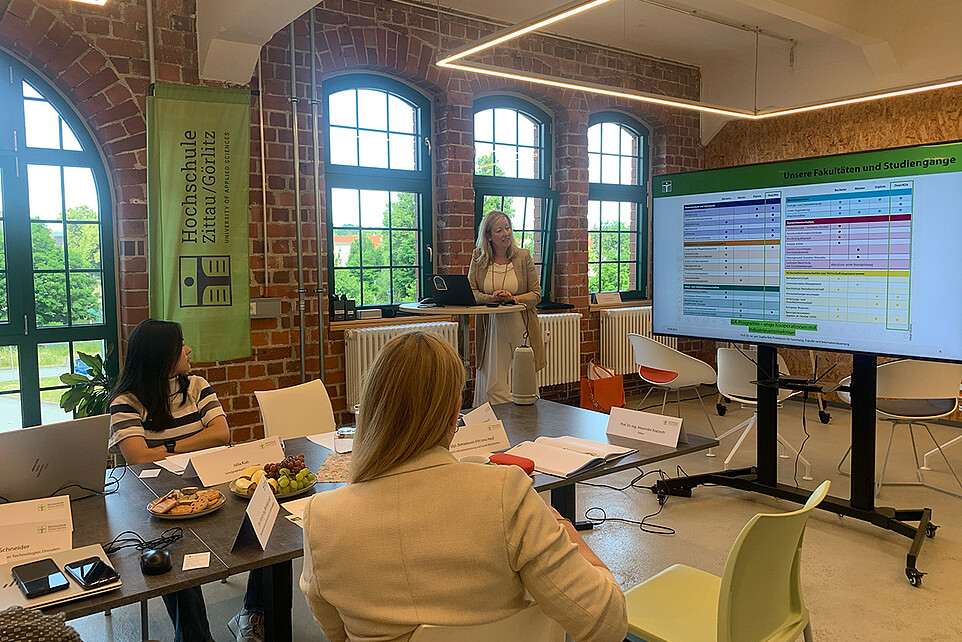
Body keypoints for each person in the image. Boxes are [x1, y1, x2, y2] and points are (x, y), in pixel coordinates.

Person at [299, 332, 627, 642]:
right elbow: (606, 623)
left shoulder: (320, 518)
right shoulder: (506, 493)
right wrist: (564, 529)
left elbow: (336, 633)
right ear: (456, 410)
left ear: (370, 410)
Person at [108, 318, 264, 642]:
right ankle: (195, 638)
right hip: (155, 500)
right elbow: (137, 457)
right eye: (181, 345)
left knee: (266, 525)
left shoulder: (196, 385)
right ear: (161, 354)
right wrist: (193, 442)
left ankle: (253, 613)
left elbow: (222, 434)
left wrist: (164, 447)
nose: (188, 350)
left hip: (209, 485)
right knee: (176, 556)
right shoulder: (125, 401)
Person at [467, 210, 546, 405]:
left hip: (520, 322)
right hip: (492, 326)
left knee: (524, 376)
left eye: (508, 228)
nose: (506, 233)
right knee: (494, 382)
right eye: (499, 230)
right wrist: (491, 298)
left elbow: (536, 294)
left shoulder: (523, 256)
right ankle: (498, 419)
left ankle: (526, 419)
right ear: (488, 236)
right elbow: (471, 291)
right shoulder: (478, 257)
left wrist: (514, 298)